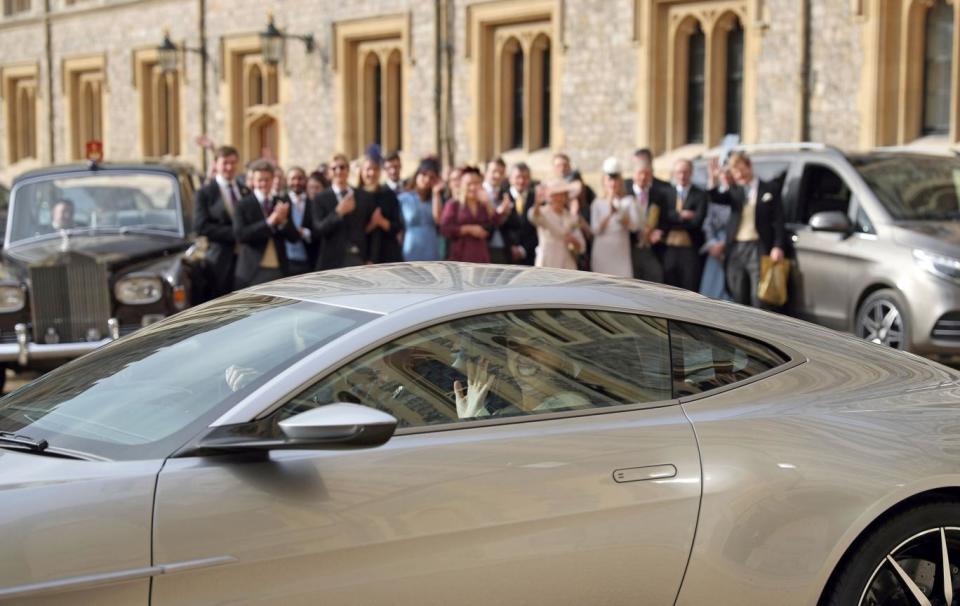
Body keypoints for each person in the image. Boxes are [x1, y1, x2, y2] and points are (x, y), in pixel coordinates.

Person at [708, 151, 787, 307]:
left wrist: (778, 246)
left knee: (758, 298)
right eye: (734, 171)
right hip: (736, 249)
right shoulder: (735, 190)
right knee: (738, 296)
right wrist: (714, 178)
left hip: (758, 248)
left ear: (749, 166)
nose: (739, 174)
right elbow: (715, 197)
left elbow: (778, 221)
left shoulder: (769, 189)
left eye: (741, 169)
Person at [232, 160, 300, 288]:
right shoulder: (243, 204)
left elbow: (294, 237)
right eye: (259, 180)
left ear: (273, 180)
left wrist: (283, 222)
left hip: (279, 269)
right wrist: (269, 222)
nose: (263, 183)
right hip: (252, 270)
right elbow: (240, 235)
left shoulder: (281, 202)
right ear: (253, 181)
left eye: (267, 179)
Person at [194, 145, 247, 299]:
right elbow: (201, 226)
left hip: (246, 260)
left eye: (233, 162)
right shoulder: (204, 193)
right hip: (219, 260)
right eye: (225, 163)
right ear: (216, 164)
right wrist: (236, 234)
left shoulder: (245, 191)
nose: (229, 167)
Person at [312, 154, 381, 269]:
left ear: (348, 170)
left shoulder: (363, 196)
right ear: (329, 172)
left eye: (342, 167)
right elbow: (318, 230)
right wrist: (338, 213)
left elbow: (374, 231)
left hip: (358, 258)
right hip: (331, 262)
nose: (339, 171)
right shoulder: (320, 198)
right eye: (334, 168)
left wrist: (372, 258)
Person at [660, 158, 707, 291]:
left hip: (690, 248)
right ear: (674, 173)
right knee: (669, 286)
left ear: (691, 173)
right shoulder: (666, 193)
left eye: (686, 172)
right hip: (669, 248)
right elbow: (664, 217)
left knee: (690, 286)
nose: (682, 176)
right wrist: (682, 215)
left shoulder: (700, 195)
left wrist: (674, 218)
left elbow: (697, 221)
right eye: (679, 172)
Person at [440, 167, 502, 263]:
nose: (473, 187)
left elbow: (496, 222)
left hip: (481, 255)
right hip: (460, 256)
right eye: (469, 184)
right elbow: (445, 229)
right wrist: (468, 229)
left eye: (476, 183)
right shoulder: (453, 204)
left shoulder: (483, 205)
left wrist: (488, 203)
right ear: (462, 185)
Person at [626, 155, 669, 282]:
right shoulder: (626, 193)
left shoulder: (659, 195)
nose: (643, 177)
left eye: (647, 174)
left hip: (651, 249)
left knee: (655, 278)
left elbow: (665, 220)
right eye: (640, 173)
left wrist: (659, 232)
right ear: (634, 174)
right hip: (630, 247)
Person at [590, 158, 635, 277]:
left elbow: (633, 226)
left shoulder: (628, 201)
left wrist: (619, 212)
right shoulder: (597, 203)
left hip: (620, 252)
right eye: (610, 180)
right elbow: (595, 230)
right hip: (602, 251)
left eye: (616, 180)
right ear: (604, 181)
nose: (613, 184)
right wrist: (609, 214)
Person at [358, 153, 404, 263]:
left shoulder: (389, 195)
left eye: (375, 169)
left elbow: (397, 226)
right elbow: (353, 233)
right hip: (364, 257)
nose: (372, 173)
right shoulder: (355, 197)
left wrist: (382, 222)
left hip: (389, 256)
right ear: (361, 172)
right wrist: (372, 224)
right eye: (368, 169)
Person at [529, 179, 586, 270]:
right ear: (551, 196)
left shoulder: (570, 216)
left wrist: (573, 241)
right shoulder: (543, 212)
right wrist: (537, 204)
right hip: (547, 262)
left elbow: (581, 246)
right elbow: (533, 217)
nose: (561, 198)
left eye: (564, 195)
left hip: (566, 264)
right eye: (558, 195)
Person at [398, 158, 445, 261]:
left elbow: (438, 220)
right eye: (424, 175)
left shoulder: (436, 199)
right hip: (410, 246)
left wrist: (436, 193)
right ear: (417, 175)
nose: (427, 179)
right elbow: (398, 228)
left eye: (431, 177)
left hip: (431, 246)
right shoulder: (403, 199)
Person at [281, 166, 317, 275]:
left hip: (308, 259)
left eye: (300, 178)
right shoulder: (279, 202)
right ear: (287, 181)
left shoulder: (313, 203)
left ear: (305, 180)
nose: (296, 182)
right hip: (285, 260)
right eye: (293, 178)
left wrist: (306, 233)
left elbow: (319, 229)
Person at [504, 162, 538, 265]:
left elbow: (538, 229)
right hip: (505, 256)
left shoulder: (536, 199)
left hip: (530, 256)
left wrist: (523, 249)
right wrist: (510, 247)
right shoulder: (501, 196)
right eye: (518, 177)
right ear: (510, 178)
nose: (521, 181)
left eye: (525, 177)